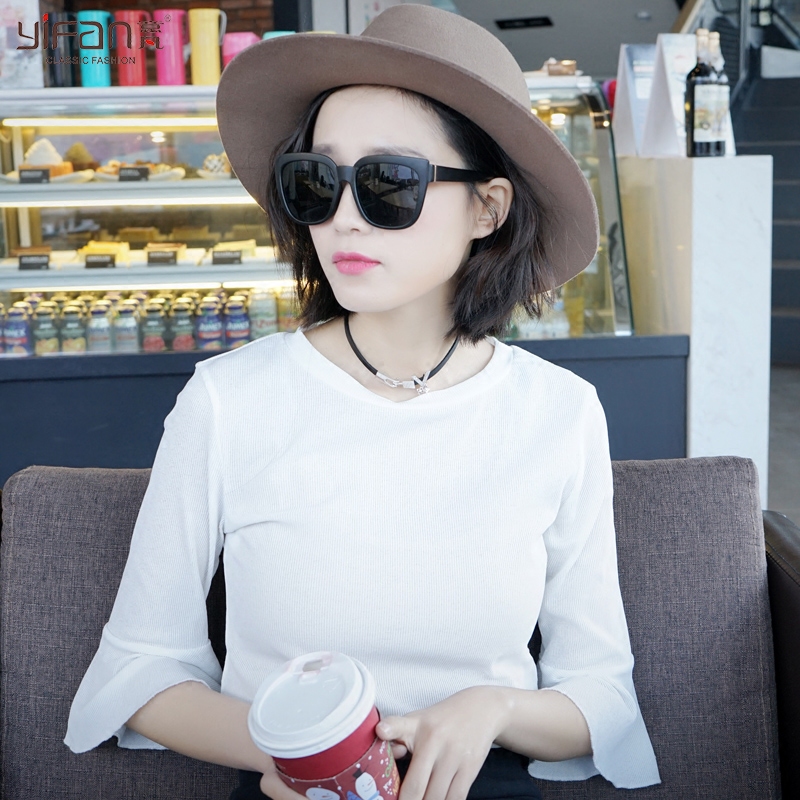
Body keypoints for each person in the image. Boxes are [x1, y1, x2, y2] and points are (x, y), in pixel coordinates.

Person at [64, 5, 661, 800]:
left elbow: (599, 697)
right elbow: (139, 669)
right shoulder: (229, 401)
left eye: (388, 183)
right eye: (317, 182)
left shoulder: (559, 412)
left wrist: (493, 708)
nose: (343, 217)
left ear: (488, 208)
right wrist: (294, 754)